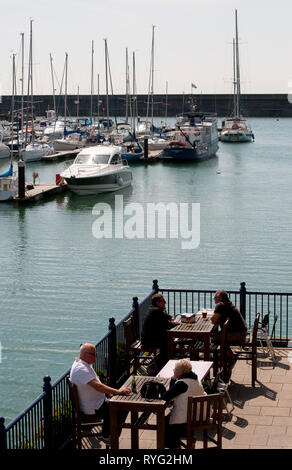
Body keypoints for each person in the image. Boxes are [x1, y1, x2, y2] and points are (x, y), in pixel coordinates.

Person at [70, 343, 131, 443]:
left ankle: (110, 432)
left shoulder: (82, 364)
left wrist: (109, 393)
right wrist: (117, 391)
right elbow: (97, 386)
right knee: (123, 406)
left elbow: (97, 384)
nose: (96, 357)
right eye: (93, 354)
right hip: (94, 407)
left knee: (120, 402)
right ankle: (108, 435)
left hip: (95, 403)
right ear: (85, 354)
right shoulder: (81, 369)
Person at [163, 359, 206, 449]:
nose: (173, 370)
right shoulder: (195, 379)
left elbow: (167, 396)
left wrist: (173, 379)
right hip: (199, 417)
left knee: (163, 423)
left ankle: (176, 446)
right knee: (169, 421)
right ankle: (190, 439)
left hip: (186, 419)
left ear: (180, 371)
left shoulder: (181, 384)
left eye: (175, 369)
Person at [141, 293, 179, 368]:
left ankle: (165, 360)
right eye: (163, 301)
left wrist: (170, 318)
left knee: (170, 341)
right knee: (170, 343)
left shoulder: (153, 309)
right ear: (157, 302)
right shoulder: (157, 311)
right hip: (149, 341)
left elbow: (165, 316)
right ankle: (164, 363)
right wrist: (176, 323)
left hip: (148, 338)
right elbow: (167, 324)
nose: (165, 302)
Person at [211, 289, 247, 358]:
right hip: (242, 332)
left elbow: (213, 320)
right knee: (220, 333)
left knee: (214, 338)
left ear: (220, 298)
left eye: (215, 298)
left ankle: (221, 355)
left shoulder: (220, 305)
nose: (214, 299)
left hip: (237, 335)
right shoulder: (228, 304)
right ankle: (228, 352)